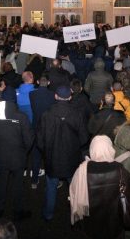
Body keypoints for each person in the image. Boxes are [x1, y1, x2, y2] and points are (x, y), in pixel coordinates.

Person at [38, 85, 89, 221]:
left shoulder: (46, 114)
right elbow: (84, 138)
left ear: (55, 96)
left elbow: (40, 140)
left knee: (51, 187)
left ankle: (48, 214)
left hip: (52, 158)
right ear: (70, 97)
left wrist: (46, 151)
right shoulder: (77, 114)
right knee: (74, 188)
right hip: (71, 158)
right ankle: (77, 214)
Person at [0, 86, 34, 220]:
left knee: (1, 183)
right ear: (15, 99)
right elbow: (29, 140)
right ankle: (17, 212)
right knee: (18, 185)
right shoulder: (21, 117)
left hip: (0, 155)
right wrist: (23, 150)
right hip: (18, 157)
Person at [69, 135, 130, 239]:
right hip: (114, 222)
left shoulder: (82, 170)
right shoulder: (121, 170)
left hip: (90, 222)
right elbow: (128, 196)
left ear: (92, 149)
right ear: (110, 148)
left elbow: (73, 194)